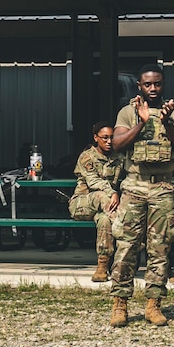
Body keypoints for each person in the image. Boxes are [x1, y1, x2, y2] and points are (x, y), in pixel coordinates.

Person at [107, 65, 174, 327]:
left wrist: (166, 123)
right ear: (139, 86)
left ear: (163, 85)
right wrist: (142, 122)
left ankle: (153, 303)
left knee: (160, 248)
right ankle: (120, 303)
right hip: (134, 186)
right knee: (126, 247)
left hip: (162, 188)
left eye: (157, 84)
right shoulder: (127, 112)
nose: (153, 89)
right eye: (147, 85)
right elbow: (117, 144)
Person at [69, 119, 126, 283]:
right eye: (105, 137)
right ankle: (127, 234)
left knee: (104, 221)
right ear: (96, 138)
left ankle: (102, 266)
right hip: (82, 204)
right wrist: (112, 192)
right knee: (102, 195)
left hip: (106, 209)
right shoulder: (87, 157)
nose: (109, 141)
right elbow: (93, 181)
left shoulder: (118, 158)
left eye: (112, 138)